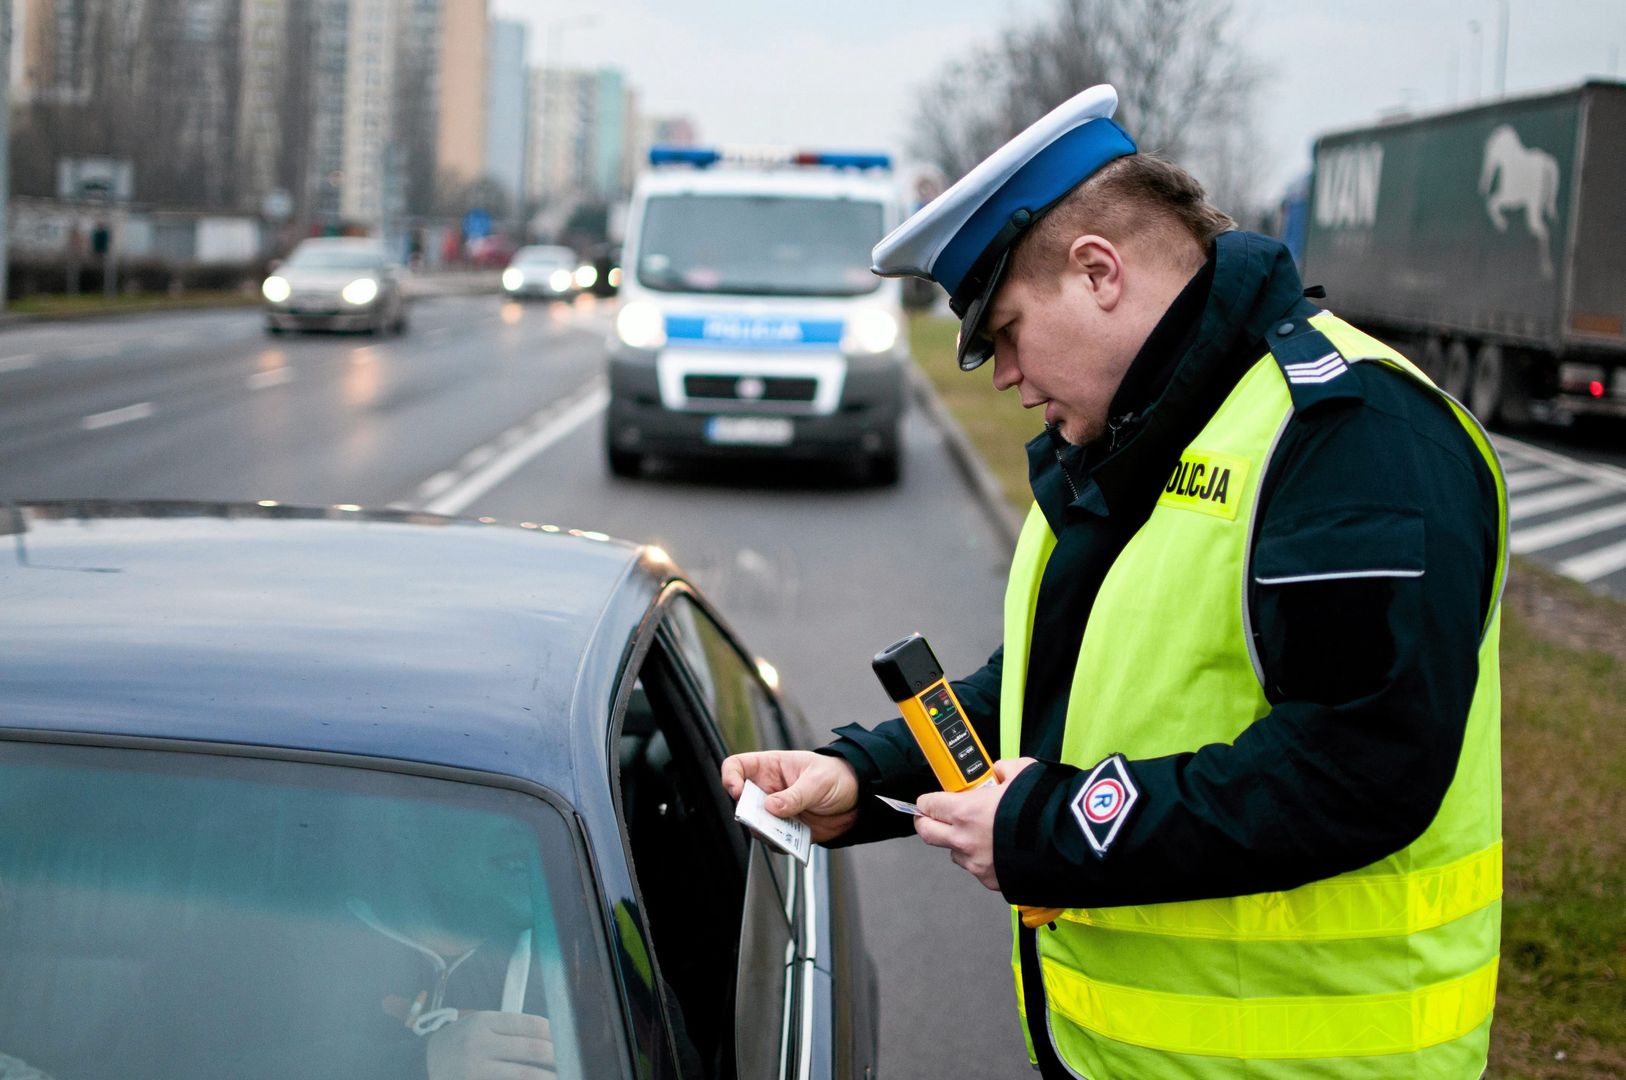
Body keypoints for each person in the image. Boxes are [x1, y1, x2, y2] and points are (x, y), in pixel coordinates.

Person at [722, 83, 1507, 1079]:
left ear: (1098, 273)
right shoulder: (1147, 432)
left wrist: (1046, 830)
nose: (1000, 375)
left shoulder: (1350, 439)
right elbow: (1064, 684)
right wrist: (866, 777)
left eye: (1004, 331)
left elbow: (1359, 766)